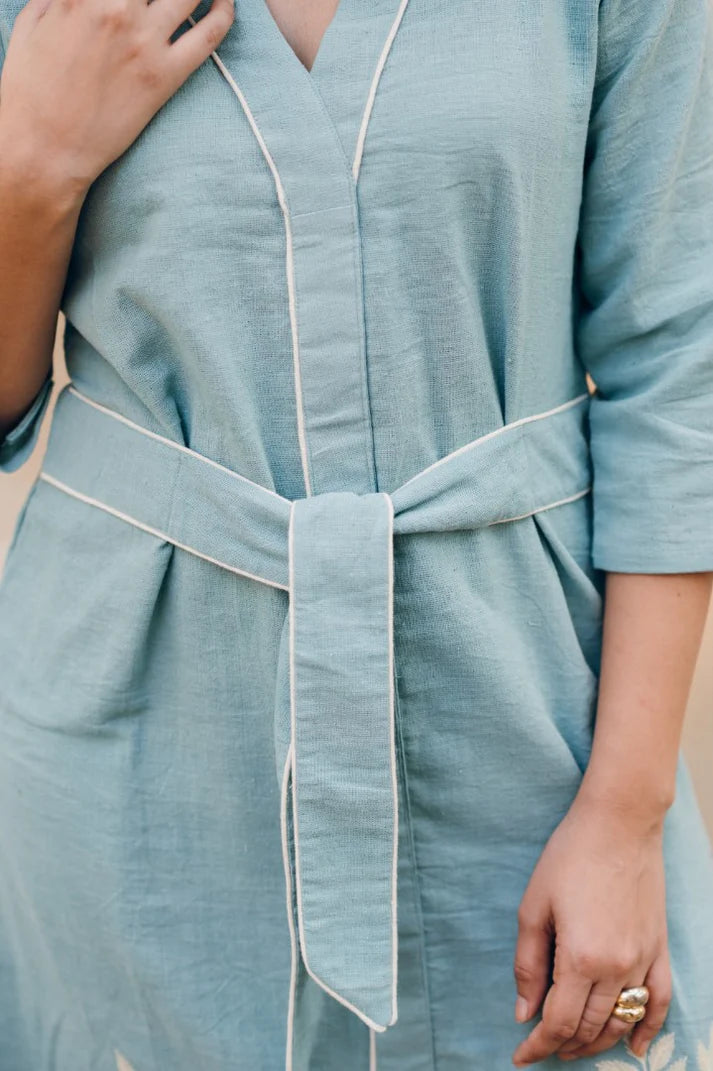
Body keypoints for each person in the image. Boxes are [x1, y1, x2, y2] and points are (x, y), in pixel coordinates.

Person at [0, 0, 712, 1068]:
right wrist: (31, 168)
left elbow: (676, 369)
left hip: (523, 724)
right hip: (126, 734)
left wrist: (623, 815)